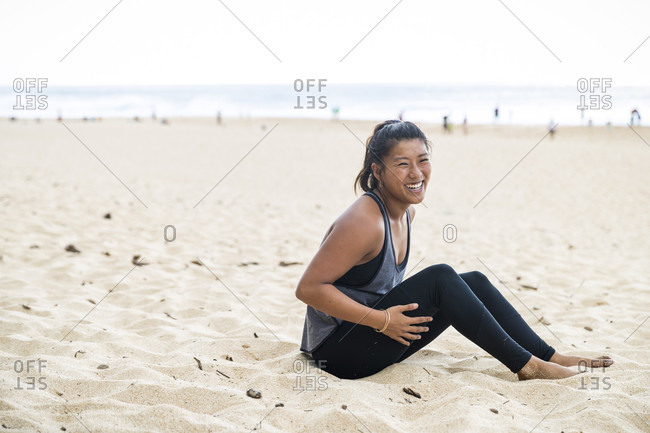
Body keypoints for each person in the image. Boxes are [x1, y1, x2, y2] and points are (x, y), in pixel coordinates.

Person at [296, 120, 613, 380]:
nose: (417, 174)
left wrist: (385, 320)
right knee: (441, 278)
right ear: (378, 171)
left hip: (377, 333)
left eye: (422, 161)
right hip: (338, 354)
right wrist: (382, 320)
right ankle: (529, 367)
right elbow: (309, 289)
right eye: (402, 165)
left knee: (472, 280)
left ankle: (548, 355)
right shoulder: (363, 221)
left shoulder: (407, 212)